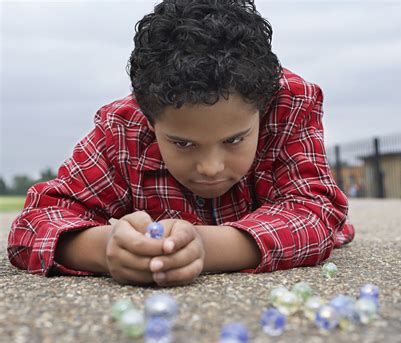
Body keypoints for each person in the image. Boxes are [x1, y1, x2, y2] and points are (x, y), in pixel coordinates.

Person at [8, 0, 355, 287]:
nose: (211, 167)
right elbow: (32, 225)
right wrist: (105, 249)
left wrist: (204, 246)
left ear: (262, 111)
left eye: (235, 139)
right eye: (183, 144)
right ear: (149, 120)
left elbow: (315, 214)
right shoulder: (122, 128)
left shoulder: (290, 103)